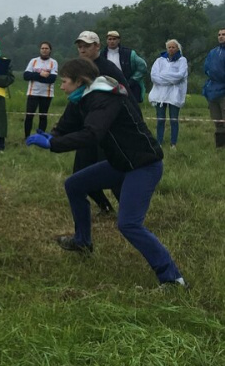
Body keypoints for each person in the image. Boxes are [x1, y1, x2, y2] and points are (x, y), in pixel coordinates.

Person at [26, 58, 186, 288]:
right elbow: (71, 122)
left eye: (64, 82)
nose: (61, 86)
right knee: (74, 185)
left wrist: (53, 145)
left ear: (80, 81)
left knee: (129, 224)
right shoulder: (84, 96)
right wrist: (55, 135)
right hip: (121, 163)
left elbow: (92, 134)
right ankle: (82, 242)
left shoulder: (104, 97)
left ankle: (173, 279)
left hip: (143, 165)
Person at [72, 31, 130, 215]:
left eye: (87, 46)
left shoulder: (109, 69)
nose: (83, 50)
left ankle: (128, 212)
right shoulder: (79, 68)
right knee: (79, 173)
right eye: (80, 46)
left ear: (97, 46)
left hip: (108, 131)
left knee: (111, 174)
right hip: (87, 129)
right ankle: (105, 207)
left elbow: (126, 96)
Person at [148, 40, 188, 148]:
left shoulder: (182, 60)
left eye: (173, 47)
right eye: (169, 47)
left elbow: (179, 76)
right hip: (160, 95)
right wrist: (170, 78)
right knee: (160, 119)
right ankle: (159, 142)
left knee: (173, 119)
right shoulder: (159, 61)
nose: (171, 49)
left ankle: (173, 143)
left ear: (177, 48)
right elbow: (154, 76)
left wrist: (163, 75)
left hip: (175, 95)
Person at [22, 41, 58, 138]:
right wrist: (40, 74)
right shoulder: (33, 61)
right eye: (42, 48)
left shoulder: (53, 62)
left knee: (43, 116)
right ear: (40, 50)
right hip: (33, 93)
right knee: (29, 116)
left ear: (50, 50)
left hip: (46, 94)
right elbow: (26, 76)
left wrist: (35, 76)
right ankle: (27, 137)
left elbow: (52, 79)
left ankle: (40, 137)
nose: (44, 50)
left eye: (46, 48)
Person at [100, 31, 147, 102]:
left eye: (114, 39)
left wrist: (133, 80)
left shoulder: (129, 53)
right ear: (107, 40)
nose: (112, 41)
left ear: (119, 40)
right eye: (110, 39)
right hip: (108, 87)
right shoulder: (101, 55)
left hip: (127, 86)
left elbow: (142, 67)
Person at [202, 27, 225, 148]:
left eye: (223, 34)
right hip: (213, 90)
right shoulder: (213, 52)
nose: (221, 36)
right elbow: (206, 68)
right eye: (219, 34)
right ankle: (220, 146)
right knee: (217, 120)